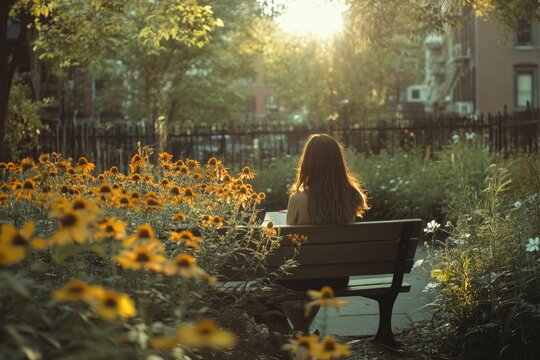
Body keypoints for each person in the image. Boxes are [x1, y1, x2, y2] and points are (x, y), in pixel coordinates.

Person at [279, 133, 369, 332]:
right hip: (337, 277)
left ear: (308, 162)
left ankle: (299, 332)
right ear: (338, 163)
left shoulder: (298, 200)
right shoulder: (351, 196)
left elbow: (288, 244)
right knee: (319, 276)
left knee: (270, 283)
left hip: (302, 275)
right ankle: (302, 333)